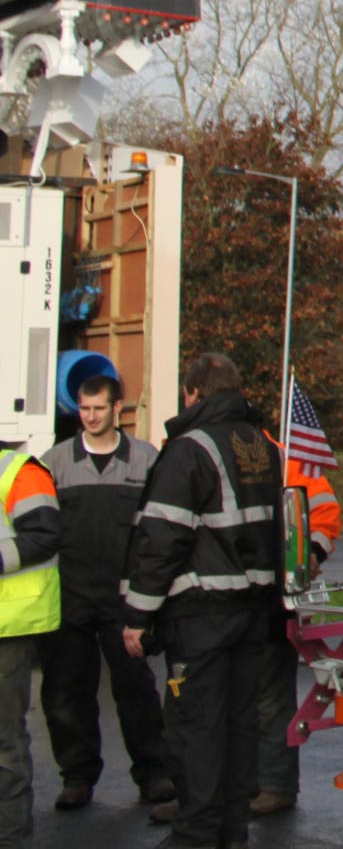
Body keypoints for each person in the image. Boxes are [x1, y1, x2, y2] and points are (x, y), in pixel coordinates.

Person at [122, 354, 280, 849]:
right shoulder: (262, 445)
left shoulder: (189, 449)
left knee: (196, 728)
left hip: (201, 614)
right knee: (239, 725)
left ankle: (195, 833)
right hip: (252, 610)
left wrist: (137, 615)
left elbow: (162, 538)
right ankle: (231, 831)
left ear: (192, 392)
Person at [38, 374, 173, 810]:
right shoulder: (54, 462)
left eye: (99, 408)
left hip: (126, 599)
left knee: (136, 690)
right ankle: (76, 777)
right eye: (84, 408)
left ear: (118, 409)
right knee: (67, 691)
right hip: (70, 596)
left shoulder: (145, 460)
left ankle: (154, 774)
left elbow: (157, 530)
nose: (91, 417)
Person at [251, 435, 338, 818]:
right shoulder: (282, 456)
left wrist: (310, 554)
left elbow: (325, 513)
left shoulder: (287, 459)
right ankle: (258, 784)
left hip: (269, 600)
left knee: (270, 699)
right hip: (243, 599)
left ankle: (274, 785)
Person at [0, 438, 61, 849]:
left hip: (8, 628)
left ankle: (10, 838)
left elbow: (44, 534)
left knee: (3, 744)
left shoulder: (17, 470)